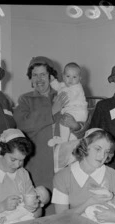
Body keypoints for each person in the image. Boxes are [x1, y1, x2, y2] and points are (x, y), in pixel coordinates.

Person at [13, 56, 83, 192]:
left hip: (66, 160)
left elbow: (82, 119)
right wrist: (51, 111)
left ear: (50, 76)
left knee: (64, 200)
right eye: (35, 75)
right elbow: (22, 125)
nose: (39, 79)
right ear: (31, 78)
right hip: (37, 162)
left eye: (43, 74)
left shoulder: (64, 93)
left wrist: (76, 126)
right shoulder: (25, 100)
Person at [52, 128, 115, 224]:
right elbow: (61, 218)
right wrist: (90, 203)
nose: (102, 156)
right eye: (98, 149)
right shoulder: (62, 177)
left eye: (106, 152)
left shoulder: (112, 175)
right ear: (84, 146)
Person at [48, 62, 88, 146]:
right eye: (68, 76)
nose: (70, 79)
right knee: (66, 127)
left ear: (80, 78)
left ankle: (63, 141)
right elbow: (58, 86)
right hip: (71, 110)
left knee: (65, 122)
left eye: (74, 77)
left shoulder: (77, 88)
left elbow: (67, 96)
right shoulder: (64, 85)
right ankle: (64, 140)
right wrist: (52, 81)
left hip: (78, 111)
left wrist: (57, 98)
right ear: (63, 76)